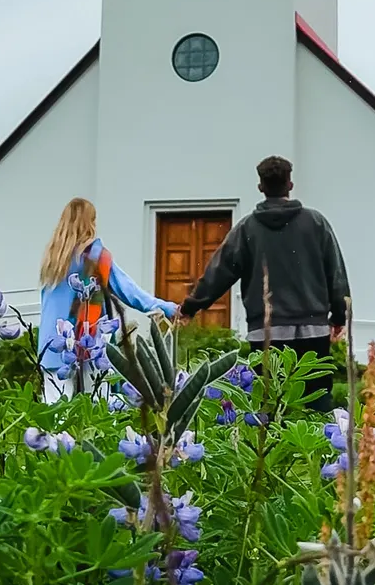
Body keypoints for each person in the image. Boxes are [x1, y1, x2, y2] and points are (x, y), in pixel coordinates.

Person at [179, 156, 350, 413]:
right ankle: (320, 452)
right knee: (317, 403)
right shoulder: (316, 223)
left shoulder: (247, 228)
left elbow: (220, 271)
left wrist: (191, 307)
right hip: (314, 329)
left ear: (260, 187)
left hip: (266, 332)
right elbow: (335, 273)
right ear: (290, 184)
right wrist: (339, 317)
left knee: (267, 407)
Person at [39, 197, 179, 403]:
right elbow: (129, 291)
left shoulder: (52, 258)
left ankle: (56, 437)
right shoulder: (96, 255)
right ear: (90, 223)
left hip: (52, 343)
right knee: (99, 407)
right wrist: (166, 308)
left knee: (55, 410)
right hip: (92, 340)